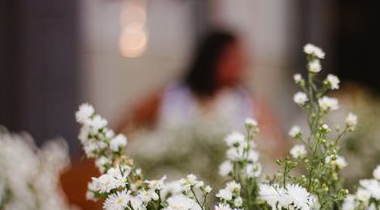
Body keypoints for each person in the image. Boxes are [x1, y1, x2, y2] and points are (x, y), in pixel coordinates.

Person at [118, 30, 281, 143]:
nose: (241, 65)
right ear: (212, 60)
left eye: (241, 59)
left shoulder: (248, 102)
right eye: (232, 59)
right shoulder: (173, 96)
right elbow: (128, 122)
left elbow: (272, 141)